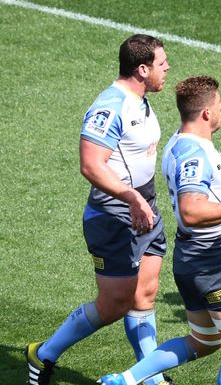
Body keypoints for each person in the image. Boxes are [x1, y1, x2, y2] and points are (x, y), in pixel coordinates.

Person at [99, 75, 221, 385]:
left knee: (204, 341)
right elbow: (192, 211)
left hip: (191, 260)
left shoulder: (179, 142)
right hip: (214, 261)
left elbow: (195, 195)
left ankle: (125, 380)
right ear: (207, 112)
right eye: (219, 105)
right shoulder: (195, 154)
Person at [26, 34, 170, 385]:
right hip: (114, 215)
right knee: (114, 304)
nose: (167, 69)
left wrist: (141, 200)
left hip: (144, 208)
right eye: (162, 64)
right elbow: (91, 165)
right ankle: (42, 354)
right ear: (141, 69)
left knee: (145, 295)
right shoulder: (110, 107)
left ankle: (150, 377)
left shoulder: (142, 100)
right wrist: (130, 197)